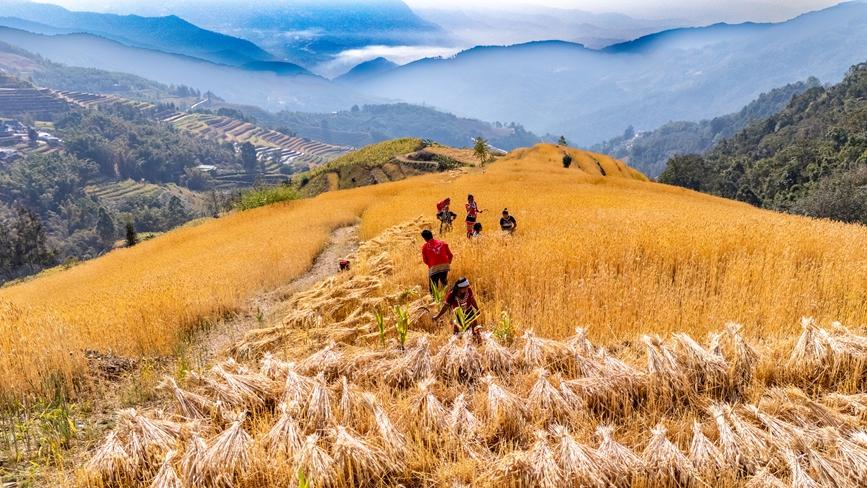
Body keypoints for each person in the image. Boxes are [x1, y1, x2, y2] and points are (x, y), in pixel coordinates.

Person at [421, 229, 453, 294]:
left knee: (433, 287)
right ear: (432, 235)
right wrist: (447, 262)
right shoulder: (443, 243)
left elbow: (425, 260)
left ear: (424, 238)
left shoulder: (425, 247)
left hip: (434, 267)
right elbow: (450, 255)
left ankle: (435, 300)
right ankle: (447, 296)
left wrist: (431, 265)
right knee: (444, 283)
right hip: (445, 265)